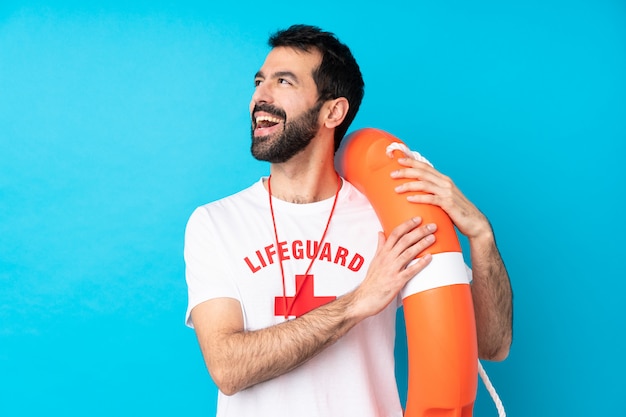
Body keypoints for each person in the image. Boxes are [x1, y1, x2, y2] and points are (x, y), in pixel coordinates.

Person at [184, 24, 512, 417]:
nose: (260, 96)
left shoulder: (389, 217)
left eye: (283, 82)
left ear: (332, 111)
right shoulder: (215, 223)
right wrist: (358, 302)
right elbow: (228, 368)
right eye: (259, 82)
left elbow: (492, 346)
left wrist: (482, 236)